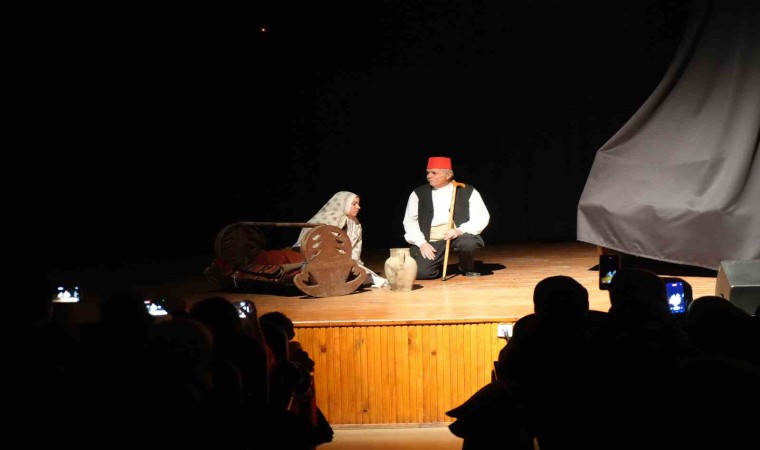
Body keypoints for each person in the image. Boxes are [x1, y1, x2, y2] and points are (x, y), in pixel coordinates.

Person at [403, 156, 490, 279]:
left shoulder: (467, 191)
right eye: (428, 173)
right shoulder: (418, 193)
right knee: (421, 273)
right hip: (432, 239)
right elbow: (410, 222)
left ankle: (466, 266)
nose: (429, 176)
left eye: (434, 173)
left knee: (468, 243)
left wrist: (459, 230)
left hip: (457, 235)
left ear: (448, 175)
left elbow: (481, 217)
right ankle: (435, 264)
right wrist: (421, 243)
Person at [295, 191, 388, 287]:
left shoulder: (355, 223)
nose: (358, 207)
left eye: (358, 204)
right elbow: (312, 244)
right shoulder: (329, 218)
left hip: (341, 261)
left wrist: (352, 265)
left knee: (365, 276)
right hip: (315, 257)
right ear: (344, 204)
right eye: (354, 204)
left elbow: (355, 249)